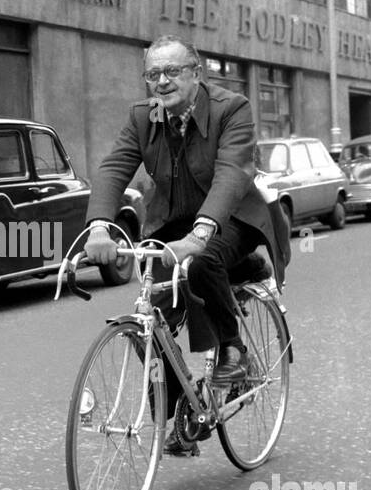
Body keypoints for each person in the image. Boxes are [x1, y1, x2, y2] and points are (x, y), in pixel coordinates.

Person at [85, 35, 290, 456]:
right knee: (150, 315)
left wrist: (199, 236)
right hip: (171, 221)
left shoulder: (232, 109)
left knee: (202, 264)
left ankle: (234, 352)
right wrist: (100, 225)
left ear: (196, 73)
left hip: (232, 216)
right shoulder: (143, 117)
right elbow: (112, 169)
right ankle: (183, 408)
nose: (162, 82)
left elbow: (232, 173)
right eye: (153, 74)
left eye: (172, 71)